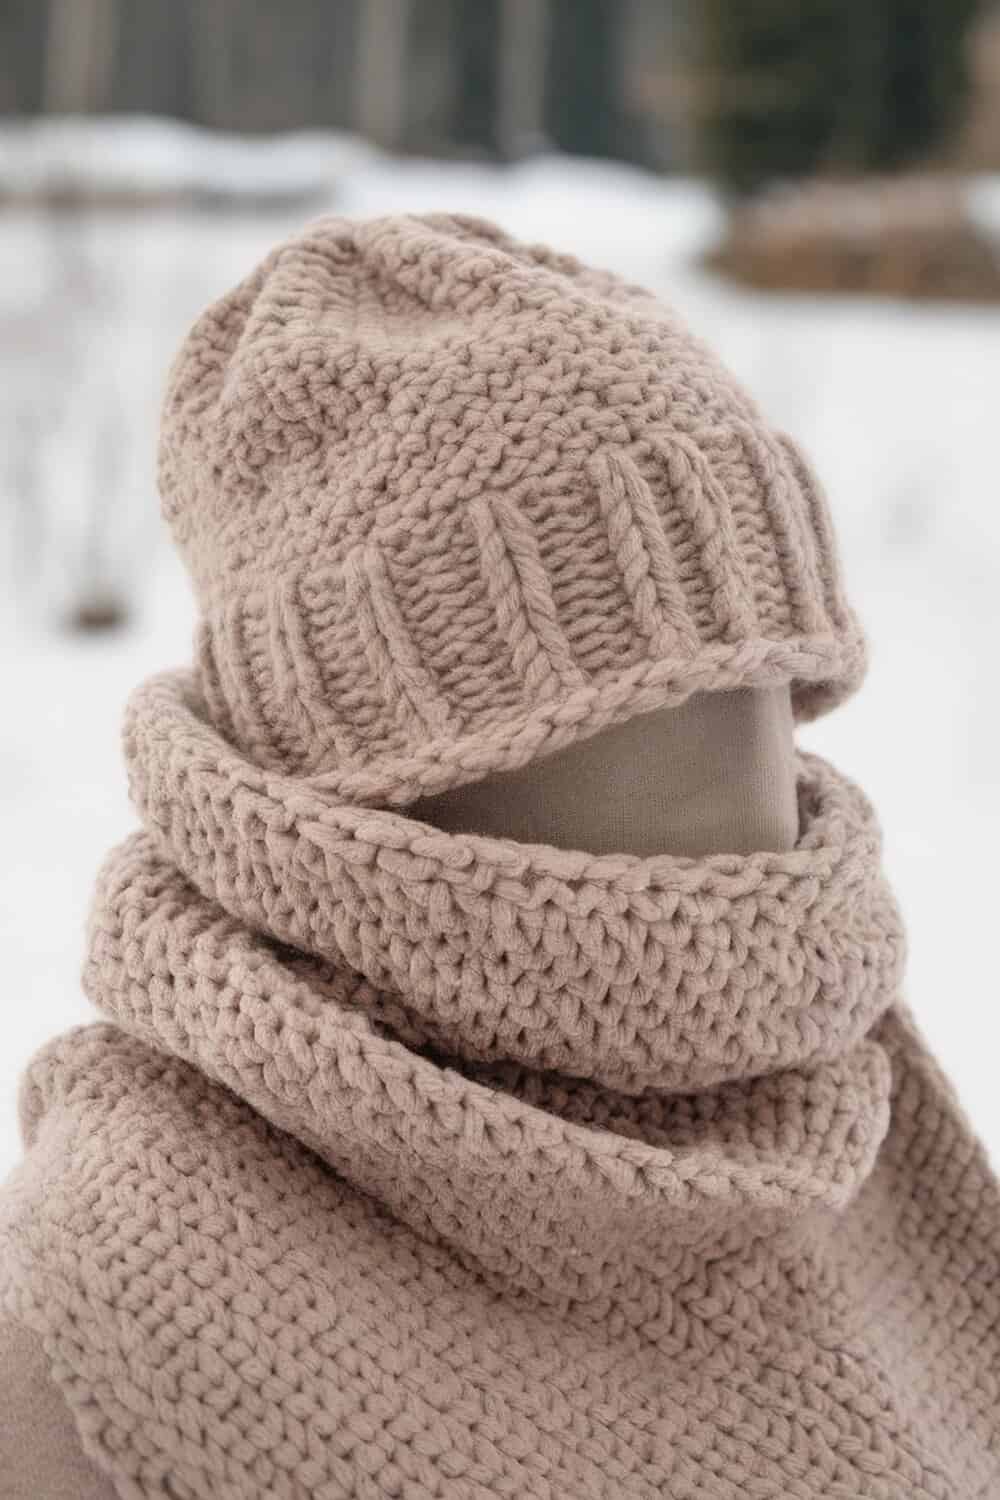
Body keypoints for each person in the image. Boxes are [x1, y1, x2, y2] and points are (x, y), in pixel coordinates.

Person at [1, 214, 997, 1499]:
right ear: (384, 769)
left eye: (771, 682)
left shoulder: (849, 1116)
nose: (750, 771)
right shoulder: (106, 1321)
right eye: (645, 704)